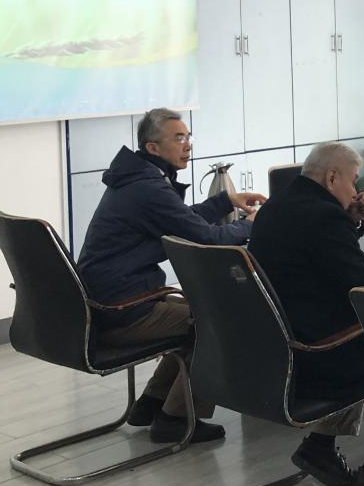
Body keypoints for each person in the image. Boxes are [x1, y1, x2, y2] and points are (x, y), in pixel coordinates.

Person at [248, 141, 364, 486]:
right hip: (319, 354)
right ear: (332, 177)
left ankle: (319, 447)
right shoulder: (323, 217)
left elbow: (321, 256)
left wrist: (350, 218)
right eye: (353, 180)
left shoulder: (277, 207)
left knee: (359, 335)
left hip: (282, 347)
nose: (356, 190)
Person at [77, 108, 265, 444]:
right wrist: (251, 225)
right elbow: (206, 238)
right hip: (121, 311)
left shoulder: (138, 179)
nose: (187, 145)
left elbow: (181, 219)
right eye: (179, 138)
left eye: (188, 137)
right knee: (225, 322)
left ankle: (152, 403)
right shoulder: (147, 187)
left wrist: (226, 202)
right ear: (153, 147)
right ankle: (175, 419)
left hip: (111, 301)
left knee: (208, 312)